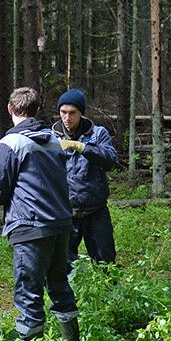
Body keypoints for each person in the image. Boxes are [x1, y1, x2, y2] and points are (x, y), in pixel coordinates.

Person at [0, 87, 81, 341]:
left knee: (28, 292)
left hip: (30, 228)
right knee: (60, 287)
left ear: (10, 110)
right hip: (60, 226)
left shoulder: (10, 144)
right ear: (38, 110)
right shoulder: (53, 140)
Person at [51, 89, 120, 266]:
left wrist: (82, 147)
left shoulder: (98, 134)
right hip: (64, 213)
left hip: (95, 211)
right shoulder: (51, 137)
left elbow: (110, 161)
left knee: (105, 263)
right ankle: (66, 295)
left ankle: (108, 294)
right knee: (62, 265)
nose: (67, 118)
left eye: (72, 113)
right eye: (63, 112)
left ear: (81, 113)